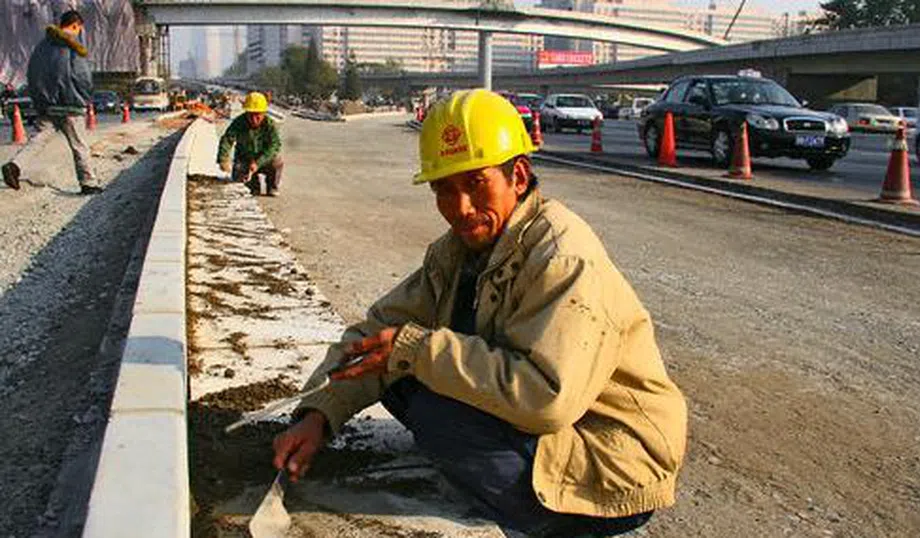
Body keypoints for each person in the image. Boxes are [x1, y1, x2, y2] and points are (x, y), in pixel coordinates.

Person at [272, 90, 688, 537]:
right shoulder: (459, 252)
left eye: (476, 183)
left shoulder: (562, 258)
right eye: (445, 190)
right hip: (544, 428)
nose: (462, 208)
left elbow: (548, 400)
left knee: (436, 412)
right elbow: (381, 330)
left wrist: (418, 350)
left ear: (519, 176)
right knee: (400, 373)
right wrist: (317, 415)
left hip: (606, 460)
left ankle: (555, 522)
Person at [2, 10, 100, 195]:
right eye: (79, 29)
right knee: (79, 145)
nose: (79, 32)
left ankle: (15, 165)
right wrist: (84, 97)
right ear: (75, 25)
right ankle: (88, 183)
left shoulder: (41, 47)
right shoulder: (73, 47)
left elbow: (32, 75)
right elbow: (82, 77)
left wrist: (40, 100)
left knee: (38, 140)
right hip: (70, 105)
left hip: (46, 105)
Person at [216, 91, 283, 196]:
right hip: (244, 160)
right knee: (242, 178)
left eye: (258, 116)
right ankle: (254, 186)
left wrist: (258, 162)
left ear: (264, 113)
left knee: (277, 162)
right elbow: (227, 139)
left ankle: (272, 186)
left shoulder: (270, 125)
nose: (254, 119)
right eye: (250, 115)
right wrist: (223, 159)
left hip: (264, 160)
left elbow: (274, 146)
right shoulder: (239, 122)